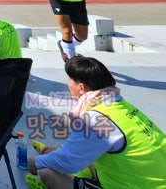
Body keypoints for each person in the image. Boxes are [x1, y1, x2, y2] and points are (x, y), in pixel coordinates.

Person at [26, 56, 166, 189]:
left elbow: (69, 162)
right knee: (69, 155)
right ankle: (55, 156)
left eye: (69, 81)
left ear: (81, 88)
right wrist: (59, 151)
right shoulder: (120, 106)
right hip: (152, 179)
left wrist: (35, 162)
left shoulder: (95, 119)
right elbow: (90, 146)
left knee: (46, 171)